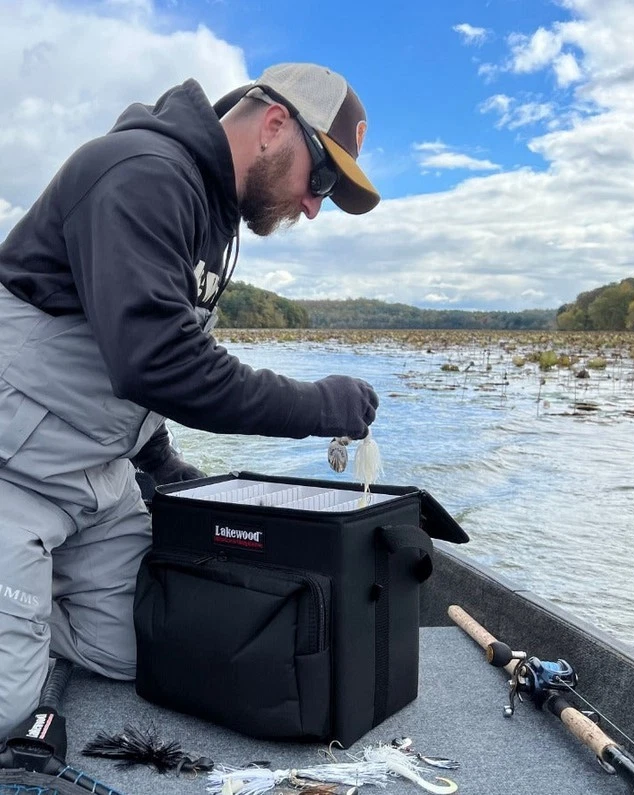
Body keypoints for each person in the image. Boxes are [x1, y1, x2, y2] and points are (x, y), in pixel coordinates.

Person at [0, 62, 380, 737]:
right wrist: (319, 405)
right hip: (16, 470)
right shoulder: (139, 172)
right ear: (273, 125)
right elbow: (158, 360)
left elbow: (118, 345)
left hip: (97, 481)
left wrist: (161, 460)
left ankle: (29, 592)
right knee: (6, 704)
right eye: (320, 179)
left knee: (150, 648)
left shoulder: (213, 218)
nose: (315, 205)